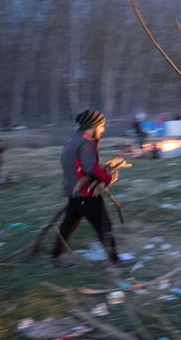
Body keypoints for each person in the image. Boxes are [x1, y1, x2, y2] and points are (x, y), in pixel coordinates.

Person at [51, 109, 128, 267]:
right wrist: (107, 178)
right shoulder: (87, 142)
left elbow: (78, 166)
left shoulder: (73, 139)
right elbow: (89, 168)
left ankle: (56, 255)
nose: (103, 129)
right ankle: (116, 261)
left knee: (68, 225)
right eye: (102, 125)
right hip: (87, 194)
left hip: (74, 193)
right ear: (93, 126)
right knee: (104, 225)